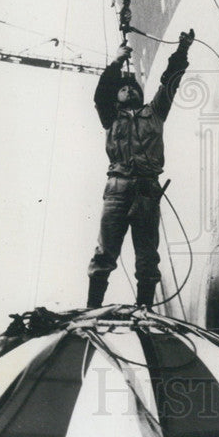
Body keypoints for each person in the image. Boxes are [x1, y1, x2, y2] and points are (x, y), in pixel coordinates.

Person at [86, 30, 194, 309]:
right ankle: (92, 308)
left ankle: (144, 308)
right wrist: (116, 63)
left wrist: (182, 50)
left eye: (133, 87)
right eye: (123, 88)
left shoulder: (155, 112)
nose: (129, 89)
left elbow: (170, 83)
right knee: (105, 252)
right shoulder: (110, 117)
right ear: (116, 97)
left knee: (148, 256)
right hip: (118, 188)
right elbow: (100, 96)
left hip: (147, 189)